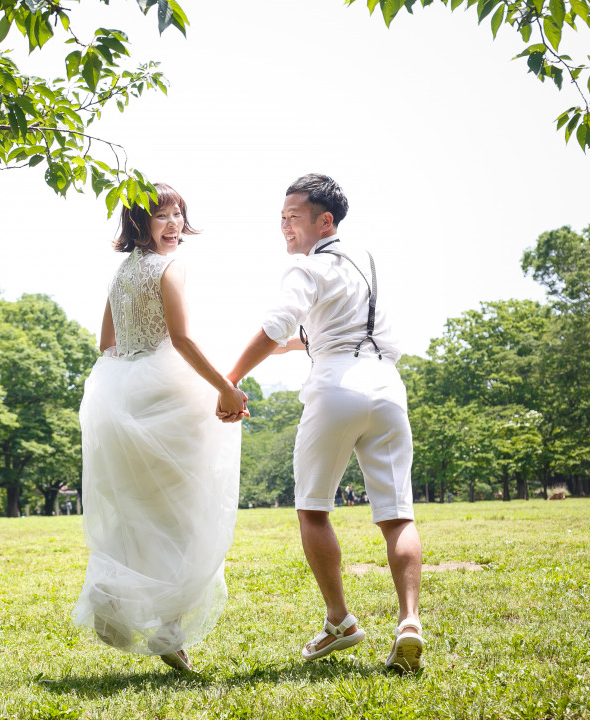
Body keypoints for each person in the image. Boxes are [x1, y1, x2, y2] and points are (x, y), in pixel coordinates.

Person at [221, 174, 425, 672]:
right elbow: (328, 332)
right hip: (387, 386)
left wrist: (228, 380)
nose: (285, 227)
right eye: (281, 218)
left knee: (313, 510)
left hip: (335, 386)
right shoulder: (366, 262)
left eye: (294, 217)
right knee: (397, 513)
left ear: (324, 220)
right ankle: (409, 621)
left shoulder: (304, 270)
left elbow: (276, 329)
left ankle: (340, 621)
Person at [72, 183, 245, 673]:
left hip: (121, 394)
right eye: (161, 216)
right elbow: (183, 339)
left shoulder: (119, 273)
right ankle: (170, 628)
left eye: (178, 215)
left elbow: (107, 342)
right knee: (186, 514)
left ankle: (112, 599)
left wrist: (130, 380)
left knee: (136, 511)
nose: (173, 225)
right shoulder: (169, 268)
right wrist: (225, 389)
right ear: (137, 224)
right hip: (169, 395)